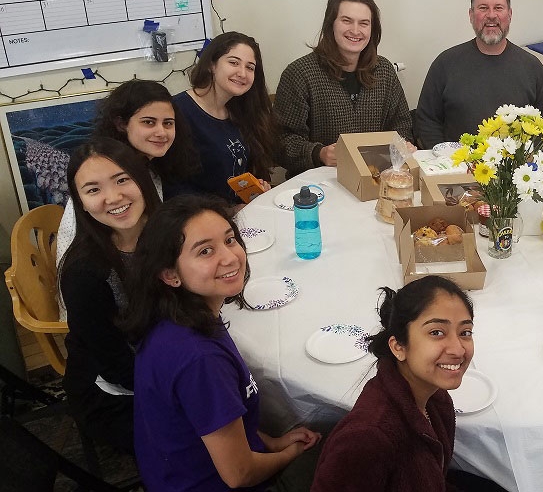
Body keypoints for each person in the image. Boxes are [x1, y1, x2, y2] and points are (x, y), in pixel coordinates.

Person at [124, 195, 321, 491]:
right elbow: (239, 474)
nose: (230, 257)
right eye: (205, 251)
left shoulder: (177, 317)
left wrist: (272, 442)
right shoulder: (199, 359)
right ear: (170, 274)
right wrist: (291, 454)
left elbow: (221, 417)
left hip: (174, 471)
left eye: (230, 240)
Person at [312, 276, 476, 491]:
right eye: (436, 332)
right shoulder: (368, 439)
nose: (458, 349)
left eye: (465, 332)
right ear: (398, 346)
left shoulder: (434, 396)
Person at [58, 138, 162, 455]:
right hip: (115, 390)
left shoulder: (169, 233)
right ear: (81, 202)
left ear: (142, 180)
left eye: (122, 180)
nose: (113, 198)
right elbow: (118, 366)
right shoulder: (84, 272)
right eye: (93, 190)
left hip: (168, 352)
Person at [55, 79, 197, 267]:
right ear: (121, 124)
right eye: (149, 122)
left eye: (168, 123)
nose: (161, 132)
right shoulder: (103, 169)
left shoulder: (149, 167)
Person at [275, 0, 413, 177]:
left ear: (373, 29)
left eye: (364, 23)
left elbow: (402, 125)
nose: (355, 30)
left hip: (375, 178)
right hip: (318, 184)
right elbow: (280, 142)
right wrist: (318, 153)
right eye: (346, 21)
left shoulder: (384, 71)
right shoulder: (299, 73)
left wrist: (402, 145)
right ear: (330, 24)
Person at [414, 0, 543, 149]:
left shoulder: (533, 68)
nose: (492, 15)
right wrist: (446, 161)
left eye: (498, 8)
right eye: (483, 8)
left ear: (509, 15)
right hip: (456, 169)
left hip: (515, 172)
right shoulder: (445, 64)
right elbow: (427, 121)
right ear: (471, 15)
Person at [171, 31, 275, 204]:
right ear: (212, 65)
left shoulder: (240, 111)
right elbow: (174, 187)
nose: (242, 73)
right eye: (234, 62)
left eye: (250, 67)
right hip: (199, 219)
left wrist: (258, 186)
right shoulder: (179, 111)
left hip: (240, 213)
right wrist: (227, 211)